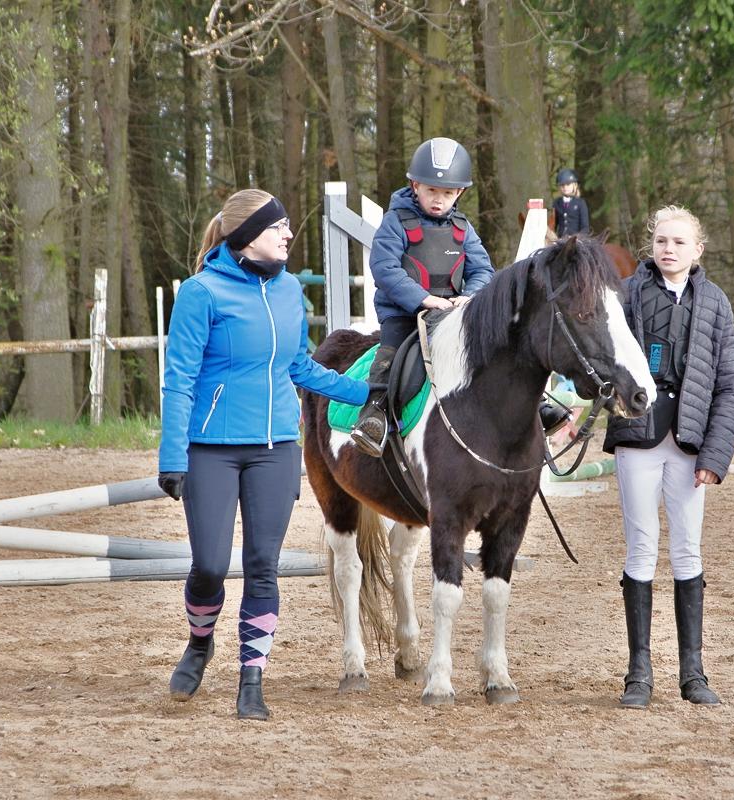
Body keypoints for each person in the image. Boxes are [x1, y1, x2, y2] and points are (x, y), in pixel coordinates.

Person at [157, 189, 369, 720]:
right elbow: (178, 379)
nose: (288, 234)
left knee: (261, 567)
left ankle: (251, 679)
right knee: (209, 566)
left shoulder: (290, 289)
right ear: (247, 235)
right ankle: (200, 643)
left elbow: (299, 366)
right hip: (210, 449)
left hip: (275, 449)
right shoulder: (201, 293)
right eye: (278, 227)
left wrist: (366, 392)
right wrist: (172, 456)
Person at [603, 205, 734, 710]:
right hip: (637, 435)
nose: (669, 249)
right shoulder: (625, 295)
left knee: (687, 550)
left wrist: (715, 455)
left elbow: (729, 385)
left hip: (690, 443)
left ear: (697, 250)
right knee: (641, 546)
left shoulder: (716, 303)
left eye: (679, 242)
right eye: (662, 241)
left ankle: (693, 673)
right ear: (651, 245)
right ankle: (638, 674)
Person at [349, 136, 495, 457]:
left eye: (447, 193)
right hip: (403, 315)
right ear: (415, 186)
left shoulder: (463, 228)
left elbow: (483, 270)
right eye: (431, 191)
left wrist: (469, 295)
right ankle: (374, 415)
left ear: (460, 193)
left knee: (493, 349)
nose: (439, 200)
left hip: (451, 314)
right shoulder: (395, 222)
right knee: (389, 359)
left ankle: (532, 406)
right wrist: (424, 299)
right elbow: (384, 268)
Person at [551, 167, 590, 238]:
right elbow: (554, 225)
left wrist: (576, 238)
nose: (565, 187)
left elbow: (585, 228)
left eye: (568, 184)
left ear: (575, 185)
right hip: (560, 239)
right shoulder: (557, 203)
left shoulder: (580, 203)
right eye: (562, 185)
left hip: (576, 240)